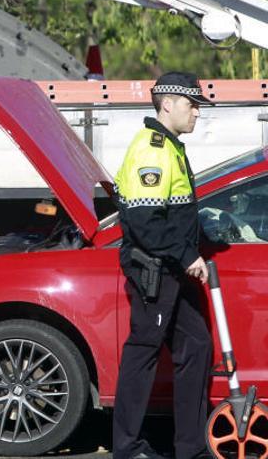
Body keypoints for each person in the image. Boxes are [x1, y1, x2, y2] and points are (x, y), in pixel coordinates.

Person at [112, 71, 214, 459]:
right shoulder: (152, 151)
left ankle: (189, 447)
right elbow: (144, 223)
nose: (197, 114)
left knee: (197, 344)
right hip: (154, 270)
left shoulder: (170, 147)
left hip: (171, 269)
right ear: (168, 103)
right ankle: (127, 447)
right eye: (192, 105)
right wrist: (188, 255)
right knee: (143, 353)